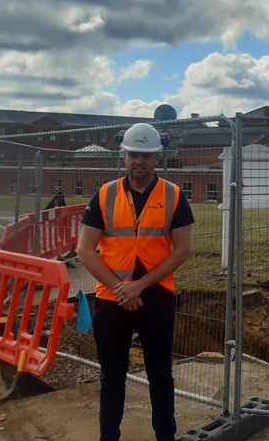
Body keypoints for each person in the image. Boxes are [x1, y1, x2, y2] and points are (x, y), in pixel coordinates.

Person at [77, 122, 193, 441]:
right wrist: (120, 288)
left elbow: (183, 250)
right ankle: (108, 437)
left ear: (158, 158)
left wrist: (138, 286)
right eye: (132, 154)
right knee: (112, 376)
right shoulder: (104, 194)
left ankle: (165, 436)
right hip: (111, 299)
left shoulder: (173, 195)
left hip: (156, 297)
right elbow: (85, 251)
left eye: (145, 154)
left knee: (160, 375)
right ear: (123, 157)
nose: (138, 160)